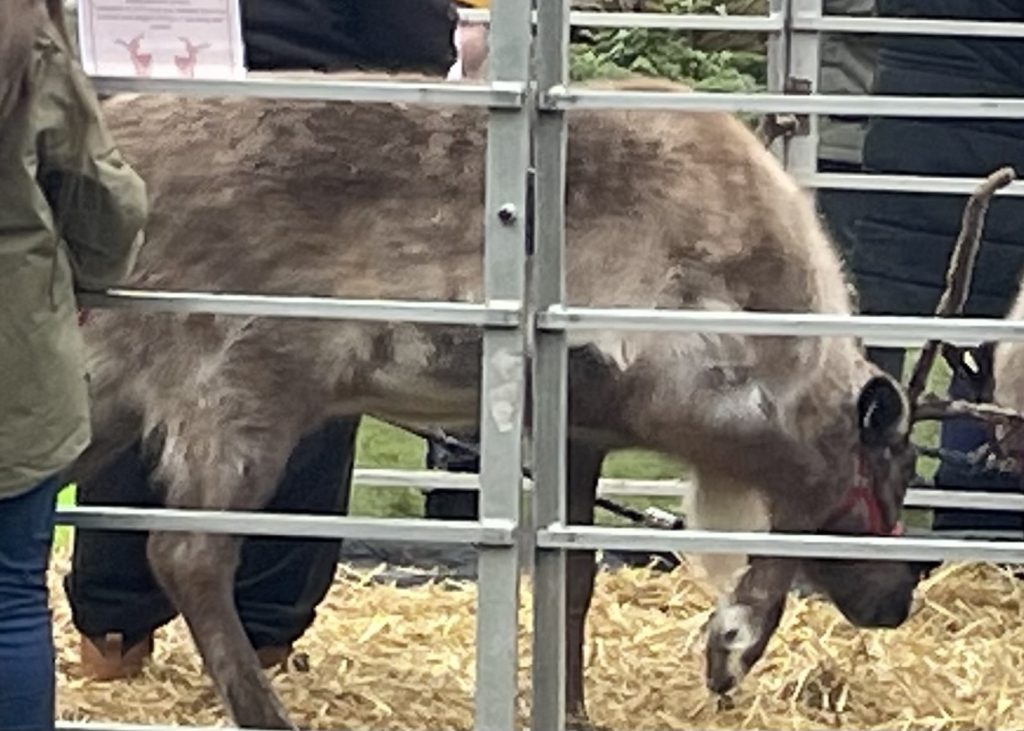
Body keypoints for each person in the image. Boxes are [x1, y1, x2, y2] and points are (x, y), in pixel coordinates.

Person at [63, 0, 467, 681]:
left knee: (141, 365)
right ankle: (260, 633)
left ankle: (116, 632)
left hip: (160, 123)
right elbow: (418, 46)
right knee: (304, 377)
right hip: (306, 153)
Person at [817, 0, 1024, 537]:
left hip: (899, 129)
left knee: (887, 335)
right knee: (985, 333)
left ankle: (859, 513)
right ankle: (974, 510)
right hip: (981, 132)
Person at [0, 0, 149, 727]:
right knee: (8, 596)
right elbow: (103, 195)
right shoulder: (22, 37)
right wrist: (89, 276)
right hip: (12, 353)